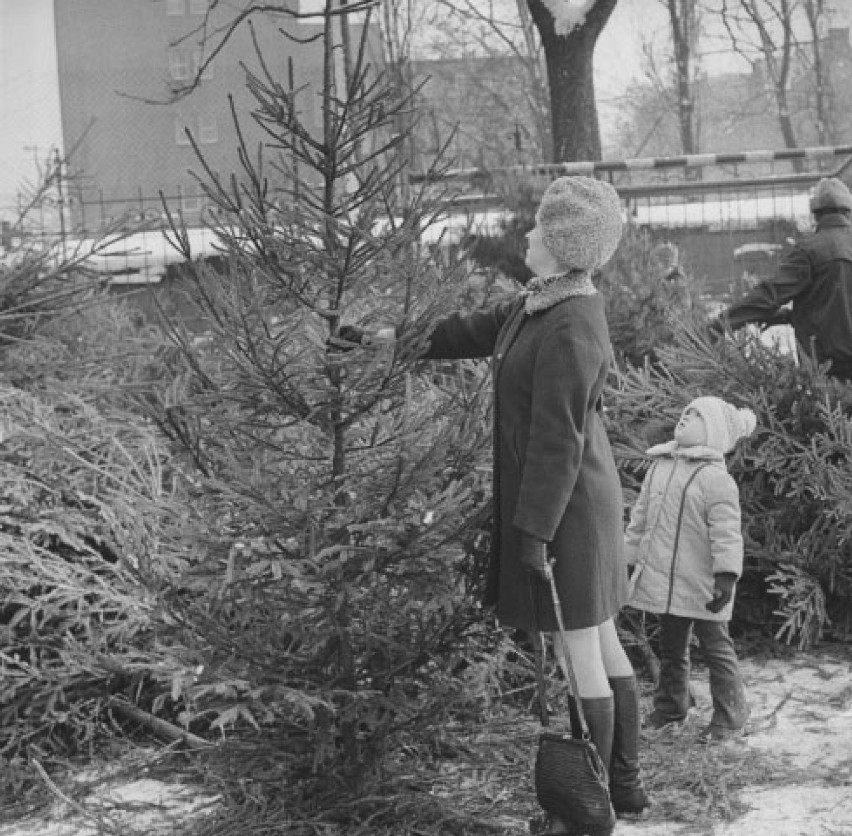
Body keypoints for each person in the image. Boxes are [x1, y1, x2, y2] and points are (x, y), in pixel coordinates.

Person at [332, 177, 648, 825]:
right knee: (601, 642)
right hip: (574, 504)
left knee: (579, 650)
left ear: (563, 246)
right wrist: (378, 339)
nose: (527, 236)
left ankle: (587, 814)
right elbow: (459, 333)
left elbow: (557, 442)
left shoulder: (571, 325)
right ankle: (625, 786)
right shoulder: (539, 304)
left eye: (539, 230)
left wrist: (533, 532)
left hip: (570, 512)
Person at [624, 396, 756, 743]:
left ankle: (731, 715)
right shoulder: (661, 467)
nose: (685, 419)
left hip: (704, 583)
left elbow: (727, 533)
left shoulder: (715, 479)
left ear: (713, 433)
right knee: (671, 648)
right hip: (667, 582)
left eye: (696, 416)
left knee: (716, 648)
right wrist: (628, 558)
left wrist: (726, 576)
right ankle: (671, 706)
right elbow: (640, 521)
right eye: (686, 413)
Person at [709, 177, 852, 382]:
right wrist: (791, 316)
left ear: (816, 215)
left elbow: (769, 296)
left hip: (827, 377)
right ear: (848, 211)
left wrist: (722, 323)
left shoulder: (809, 251)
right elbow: (836, 306)